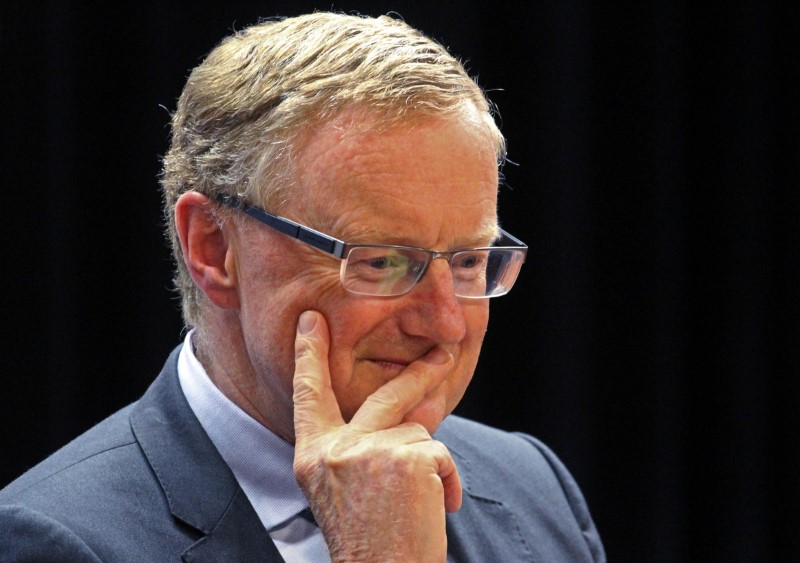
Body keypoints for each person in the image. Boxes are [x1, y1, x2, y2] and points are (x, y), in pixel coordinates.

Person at [0, 12, 605, 562]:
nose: (445, 323)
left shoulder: (533, 489)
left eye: (470, 262)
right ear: (215, 248)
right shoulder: (55, 542)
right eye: (383, 261)